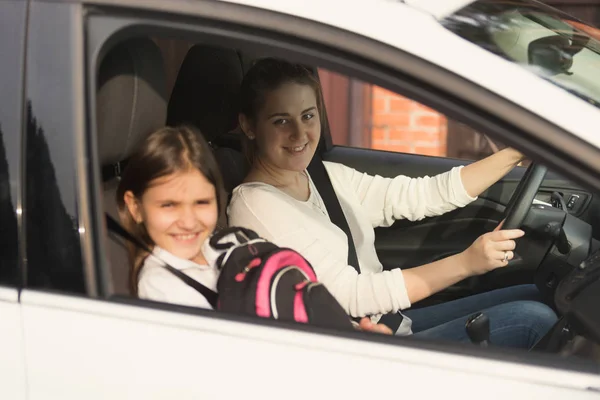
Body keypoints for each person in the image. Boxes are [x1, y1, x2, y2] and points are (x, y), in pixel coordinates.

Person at [227, 58, 557, 348]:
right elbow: (350, 295)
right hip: (355, 347)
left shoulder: (324, 176)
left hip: (392, 322)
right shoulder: (256, 203)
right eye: (281, 121)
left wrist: (518, 150)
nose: (300, 134)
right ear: (248, 126)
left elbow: (423, 195)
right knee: (533, 319)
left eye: (308, 116)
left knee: (537, 294)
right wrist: (467, 262)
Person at [116, 125, 391, 334]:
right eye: (169, 206)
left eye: (202, 202)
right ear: (135, 207)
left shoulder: (220, 245)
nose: (188, 221)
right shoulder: (162, 285)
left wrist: (350, 333)